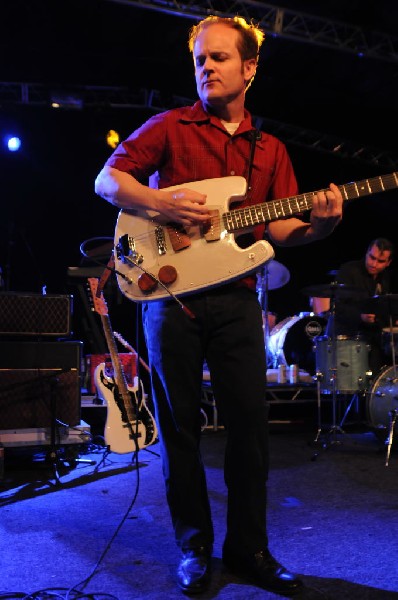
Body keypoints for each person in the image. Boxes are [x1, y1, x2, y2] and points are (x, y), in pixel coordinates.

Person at [95, 15, 343, 596]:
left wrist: (322, 229)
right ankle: (195, 549)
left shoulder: (271, 149)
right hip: (169, 299)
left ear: (249, 68)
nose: (206, 67)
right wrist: (162, 204)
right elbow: (109, 182)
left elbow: (281, 228)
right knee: (181, 431)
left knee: (250, 432)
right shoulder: (170, 126)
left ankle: (249, 549)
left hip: (236, 303)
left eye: (219, 58)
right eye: (200, 59)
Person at [327, 238, 397, 380]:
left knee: (376, 380)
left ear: (388, 263)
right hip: (347, 336)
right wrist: (360, 316)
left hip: (372, 338)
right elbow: (338, 308)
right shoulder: (349, 270)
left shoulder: (386, 278)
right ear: (367, 253)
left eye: (381, 261)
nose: (374, 264)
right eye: (372, 258)